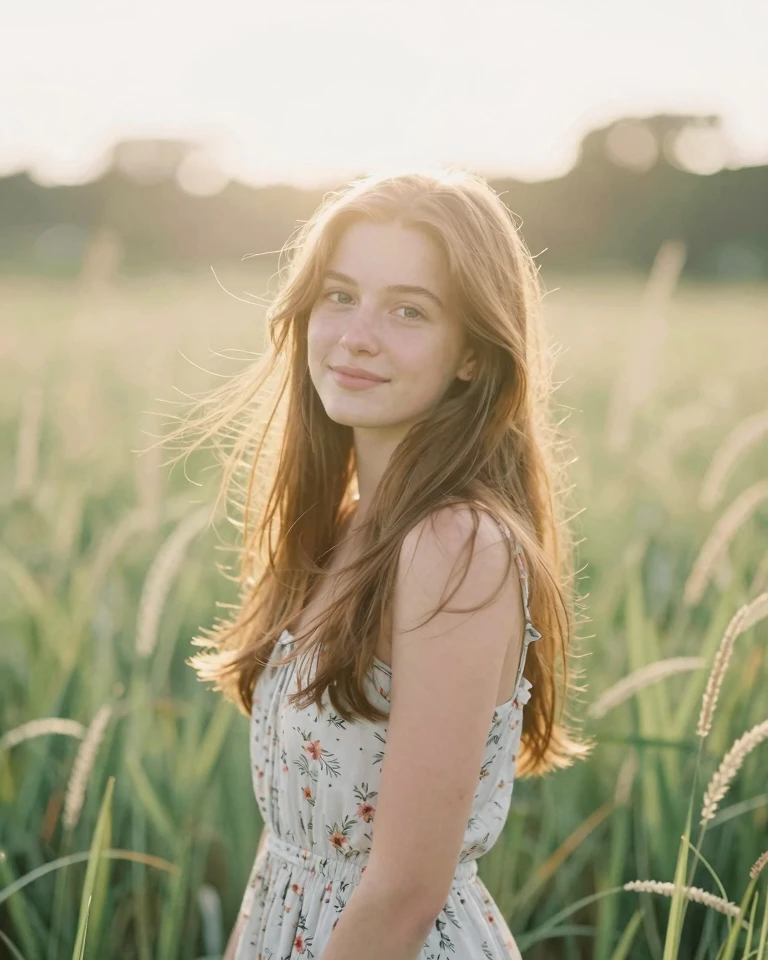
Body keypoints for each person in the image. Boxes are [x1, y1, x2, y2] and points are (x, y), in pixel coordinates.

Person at [171, 167, 591, 959]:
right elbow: (285, 858)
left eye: (408, 310)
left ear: (472, 355)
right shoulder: (341, 530)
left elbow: (404, 894)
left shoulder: (457, 546)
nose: (358, 334)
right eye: (339, 296)